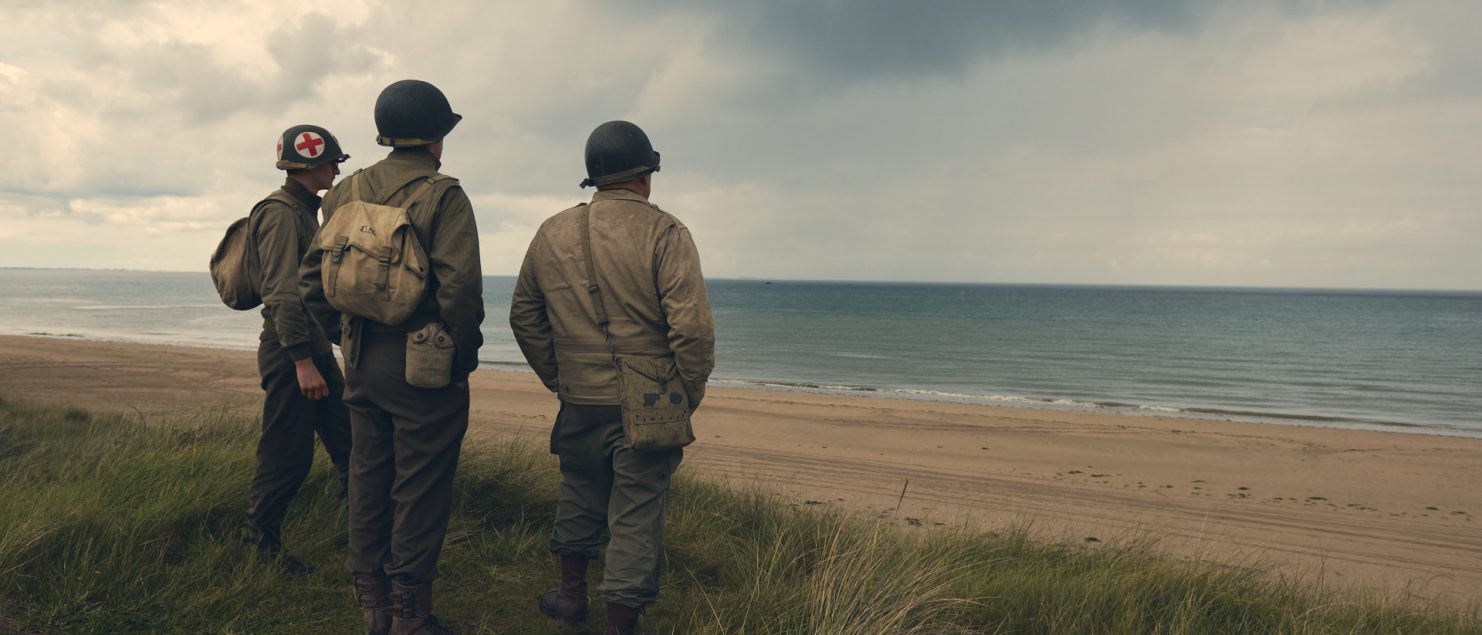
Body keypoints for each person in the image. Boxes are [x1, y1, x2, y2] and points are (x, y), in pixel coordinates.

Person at [510, 120, 715, 635]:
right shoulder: (666, 231)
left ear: (594, 178)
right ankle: (621, 624)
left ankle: (570, 596)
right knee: (637, 513)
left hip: (580, 396)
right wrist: (686, 392)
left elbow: (524, 316)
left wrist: (559, 376)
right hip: (650, 399)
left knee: (579, 491)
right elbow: (691, 329)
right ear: (645, 176)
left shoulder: (551, 230)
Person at [300, 80, 483, 635]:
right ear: (437, 137)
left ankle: (373, 606)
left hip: (361, 360)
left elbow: (312, 282)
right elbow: (460, 292)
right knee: (421, 487)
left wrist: (346, 334)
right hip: (424, 362)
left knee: (368, 476)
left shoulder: (344, 192)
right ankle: (410, 615)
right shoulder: (444, 195)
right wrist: (461, 359)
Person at [241, 124, 354, 576]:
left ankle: (364, 541)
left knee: (351, 446)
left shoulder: (305, 210)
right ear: (308, 165)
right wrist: (304, 362)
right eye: (331, 162)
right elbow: (284, 295)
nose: (335, 169)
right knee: (287, 457)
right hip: (293, 352)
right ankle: (260, 549)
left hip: (311, 350)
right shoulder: (282, 213)